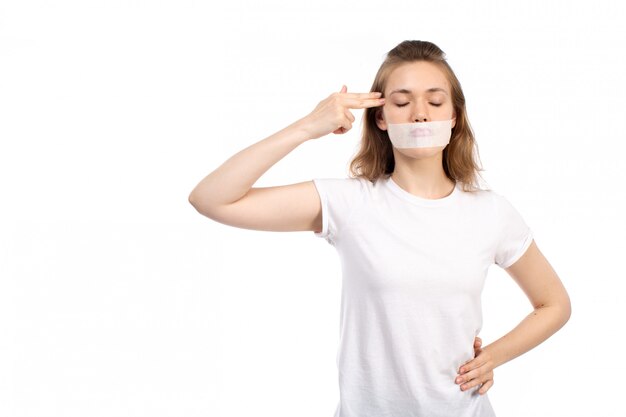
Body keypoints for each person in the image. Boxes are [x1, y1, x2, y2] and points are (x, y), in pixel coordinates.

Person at [188, 40, 571, 417]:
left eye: (435, 102)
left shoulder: (491, 212)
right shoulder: (351, 203)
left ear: (454, 116)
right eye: (402, 103)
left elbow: (553, 304)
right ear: (381, 117)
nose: (420, 114)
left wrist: (493, 357)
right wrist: (307, 127)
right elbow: (211, 199)